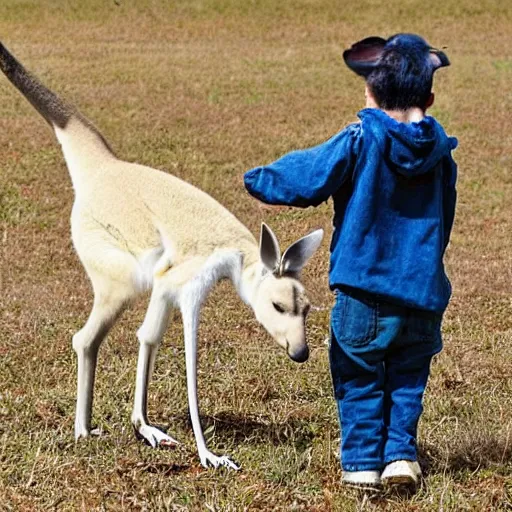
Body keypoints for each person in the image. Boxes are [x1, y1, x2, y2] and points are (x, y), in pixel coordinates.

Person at [243, 33, 457, 491]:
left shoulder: (360, 139)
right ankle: (400, 456)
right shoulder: (442, 157)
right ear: (430, 97)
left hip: (364, 292)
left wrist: (261, 180)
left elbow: (307, 176)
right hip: (421, 293)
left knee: (359, 375)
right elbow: (446, 217)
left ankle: (361, 463)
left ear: (369, 92)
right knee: (406, 379)